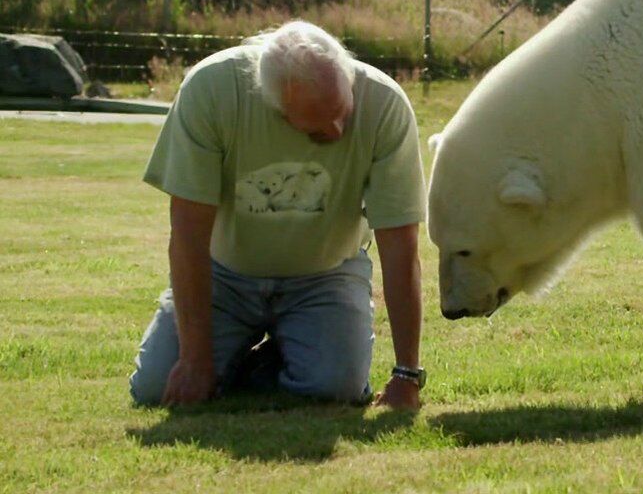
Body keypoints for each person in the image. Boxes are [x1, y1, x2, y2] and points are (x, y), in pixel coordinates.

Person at [128, 21, 427, 409]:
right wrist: (194, 360)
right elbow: (187, 236)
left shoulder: (385, 105)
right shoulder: (211, 91)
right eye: (317, 129)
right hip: (225, 277)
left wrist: (406, 374)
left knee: (336, 389)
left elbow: (401, 245)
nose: (337, 131)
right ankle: (249, 357)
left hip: (326, 275)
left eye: (342, 111)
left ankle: (270, 359)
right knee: (153, 389)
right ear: (274, 106)